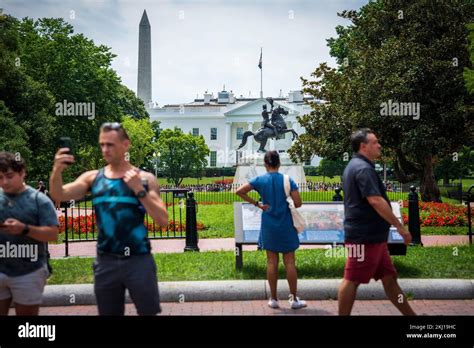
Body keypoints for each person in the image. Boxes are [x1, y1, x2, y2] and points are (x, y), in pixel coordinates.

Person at [49, 122, 169, 316]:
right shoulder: (93, 178)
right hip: (106, 261)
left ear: (126, 144)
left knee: (148, 312)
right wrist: (57, 170)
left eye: (110, 144)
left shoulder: (145, 179)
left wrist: (139, 190)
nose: (105, 149)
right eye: (102, 144)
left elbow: (163, 220)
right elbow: (59, 195)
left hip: (139, 259)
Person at [338, 128, 416, 316]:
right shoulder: (363, 169)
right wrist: (400, 227)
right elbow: (375, 200)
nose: (379, 145)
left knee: (389, 279)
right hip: (365, 237)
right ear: (363, 146)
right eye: (375, 142)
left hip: (373, 237)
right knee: (351, 279)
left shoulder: (356, 165)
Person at [236, 150, 306, 310]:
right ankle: (294, 299)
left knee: (271, 262)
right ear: (279, 163)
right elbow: (298, 203)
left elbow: (239, 191)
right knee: (289, 262)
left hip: (268, 224)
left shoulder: (260, 180)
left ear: (265, 164)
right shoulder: (288, 180)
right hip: (286, 224)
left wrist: (257, 204)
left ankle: (274, 299)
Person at [0, 152, 59, 316]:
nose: (4, 182)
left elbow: (53, 234)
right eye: (0, 177)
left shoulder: (39, 200)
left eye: (9, 176)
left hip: (29, 270)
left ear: (22, 172)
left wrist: (25, 229)